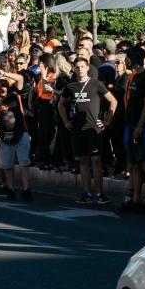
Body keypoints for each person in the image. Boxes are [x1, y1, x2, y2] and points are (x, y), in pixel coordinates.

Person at [58, 56, 117, 205]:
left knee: (96, 160)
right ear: (73, 68)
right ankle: (87, 193)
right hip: (77, 129)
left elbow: (113, 101)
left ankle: (100, 193)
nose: (80, 69)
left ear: (88, 67)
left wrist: (107, 120)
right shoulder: (70, 86)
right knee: (83, 160)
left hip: (93, 127)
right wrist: (65, 121)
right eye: (77, 67)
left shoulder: (95, 84)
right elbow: (60, 105)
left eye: (82, 66)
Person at [120, 46, 145, 215]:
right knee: (134, 164)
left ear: (134, 59)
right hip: (131, 125)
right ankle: (136, 199)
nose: (125, 61)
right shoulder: (134, 76)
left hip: (143, 127)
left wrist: (141, 126)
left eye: (127, 58)